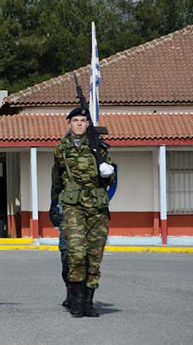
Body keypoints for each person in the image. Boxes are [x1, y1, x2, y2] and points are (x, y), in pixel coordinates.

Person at [52, 108, 115, 318]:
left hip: (97, 207)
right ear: (69, 123)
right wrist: (54, 205)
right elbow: (56, 179)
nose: (79, 124)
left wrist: (107, 174)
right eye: (75, 120)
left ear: (88, 124)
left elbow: (109, 179)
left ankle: (89, 301)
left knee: (94, 255)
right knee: (76, 253)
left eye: (83, 121)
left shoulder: (99, 147)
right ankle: (76, 300)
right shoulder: (61, 148)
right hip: (73, 205)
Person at [49, 167, 70, 309]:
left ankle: (86, 296)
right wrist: (54, 212)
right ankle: (72, 292)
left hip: (93, 213)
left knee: (89, 257)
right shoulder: (63, 154)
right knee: (67, 254)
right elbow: (56, 186)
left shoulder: (98, 151)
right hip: (68, 213)